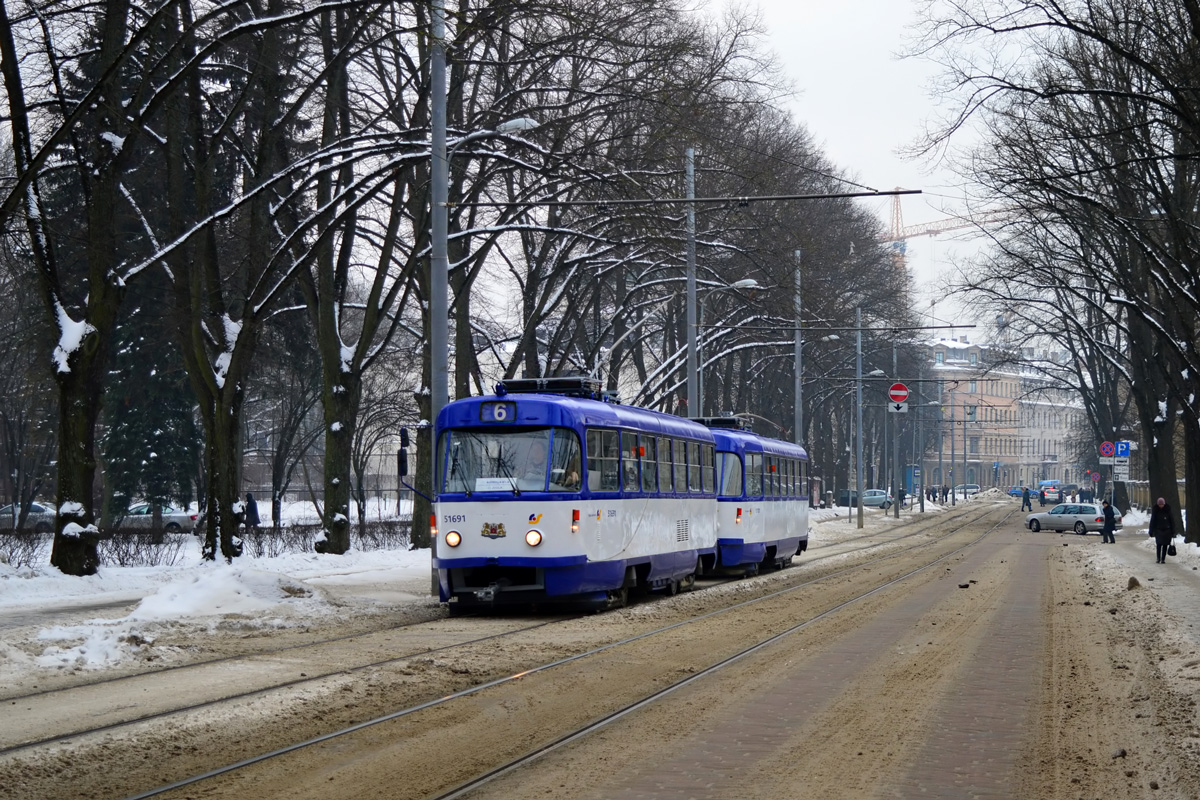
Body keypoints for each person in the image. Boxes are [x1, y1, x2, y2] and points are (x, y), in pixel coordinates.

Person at [1148, 496, 1175, 563]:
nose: (1161, 506)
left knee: (1165, 545)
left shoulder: (1167, 510)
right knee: (1159, 544)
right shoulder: (1155, 511)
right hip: (1158, 530)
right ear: (1158, 504)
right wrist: (1151, 530)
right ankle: (1158, 558)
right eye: (1160, 504)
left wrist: (1173, 531)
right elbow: (1153, 521)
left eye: (1162, 504)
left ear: (1164, 504)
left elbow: (1172, 521)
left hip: (1167, 530)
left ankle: (1163, 559)